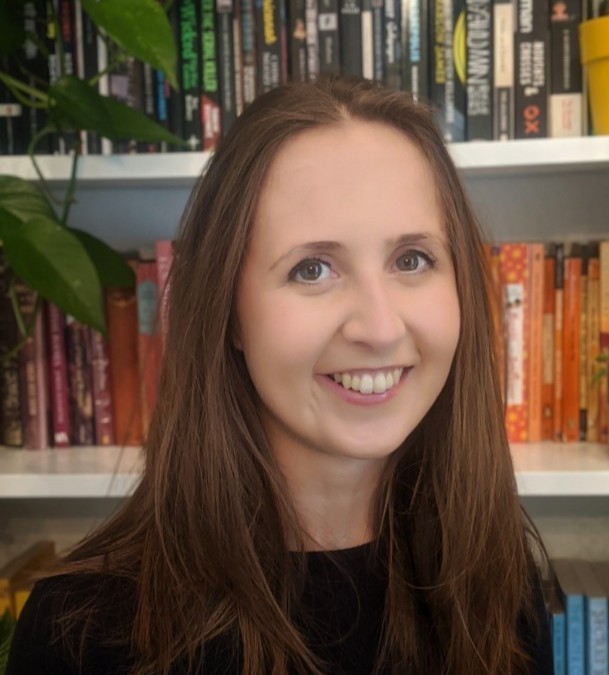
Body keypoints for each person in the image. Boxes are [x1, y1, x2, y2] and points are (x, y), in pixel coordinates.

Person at [7, 77, 553, 675]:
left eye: (412, 259)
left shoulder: (501, 586)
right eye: (312, 269)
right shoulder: (79, 633)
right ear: (229, 312)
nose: (379, 328)